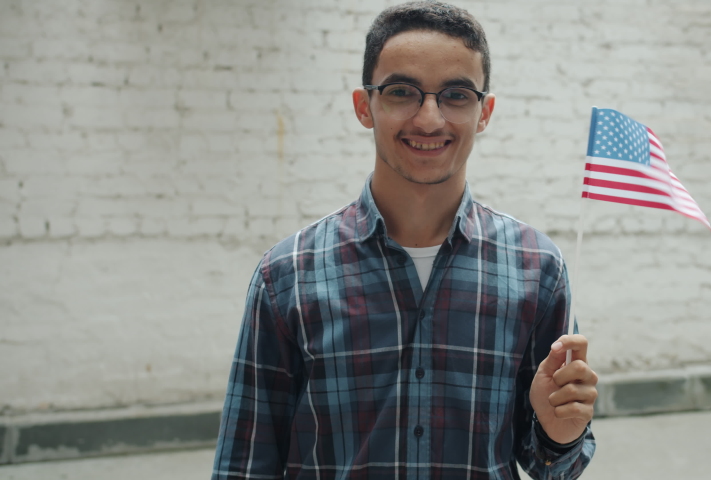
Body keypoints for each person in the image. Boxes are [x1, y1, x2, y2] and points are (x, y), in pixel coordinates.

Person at [212, 2, 597, 479]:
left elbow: (555, 468)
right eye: (402, 92)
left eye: (456, 94)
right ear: (364, 106)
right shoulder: (286, 274)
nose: (430, 119)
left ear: (484, 112)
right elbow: (244, 465)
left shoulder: (538, 269)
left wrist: (559, 434)